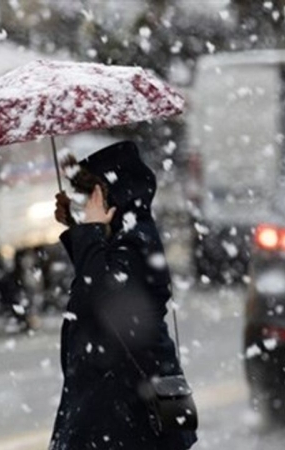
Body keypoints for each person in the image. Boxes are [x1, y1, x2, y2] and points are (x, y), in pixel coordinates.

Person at [49, 140, 197, 450]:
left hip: (125, 412)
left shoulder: (136, 238)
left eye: (91, 196)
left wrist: (89, 231)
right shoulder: (125, 235)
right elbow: (99, 282)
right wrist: (78, 228)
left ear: (112, 194)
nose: (87, 204)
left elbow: (104, 294)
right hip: (119, 407)